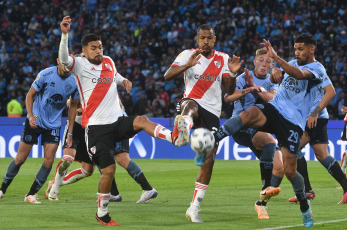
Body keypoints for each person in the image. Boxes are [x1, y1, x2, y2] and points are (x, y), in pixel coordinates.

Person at [59, 16, 174, 226]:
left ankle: (172, 135)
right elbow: (64, 60)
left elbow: (116, 75)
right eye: (93, 48)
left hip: (116, 121)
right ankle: (102, 213)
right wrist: (65, 35)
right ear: (84, 51)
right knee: (109, 171)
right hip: (96, 129)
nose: (98, 51)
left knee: (141, 119)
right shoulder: (80, 65)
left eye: (100, 47)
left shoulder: (109, 61)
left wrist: (124, 81)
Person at [212, 34, 330, 227]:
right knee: (250, 114)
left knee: (290, 171)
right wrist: (275, 69)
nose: (297, 52)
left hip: (293, 123)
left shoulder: (317, 69)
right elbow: (282, 72)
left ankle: (304, 204)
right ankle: (215, 138)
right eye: (295, 48)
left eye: (301, 49)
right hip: (275, 109)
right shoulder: (291, 62)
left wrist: (276, 60)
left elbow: (299, 74)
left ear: (312, 49)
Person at [164, 24, 243, 223]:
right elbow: (167, 76)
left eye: (209, 38)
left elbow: (228, 91)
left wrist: (233, 74)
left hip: (213, 111)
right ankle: (184, 125)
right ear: (197, 39)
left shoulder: (223, 59)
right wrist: (188, 65)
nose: (205, 41)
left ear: (214, 39)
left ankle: (194, 207)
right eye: (202, 38)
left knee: (210, 159)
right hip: (191, 101)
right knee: (189, 105)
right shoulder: (187, 55)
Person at [46, 99, 157, 204]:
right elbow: (71, 103)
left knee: (121, 158)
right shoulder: (91, 86)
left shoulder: (96, 86)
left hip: (113, 121)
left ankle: (147, 188)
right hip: (105, 122)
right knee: (98, 158)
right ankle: (114, 194)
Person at [0, 58, 79, 204]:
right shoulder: (46, 74)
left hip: (54, 125)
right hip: (35, 121)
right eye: (64, 63)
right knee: (20, 158)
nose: (66, 67)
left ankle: (31, 194)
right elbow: (30, 94)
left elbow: (73, 107)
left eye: (69, 64)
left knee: (48, 161)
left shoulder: (74, 82)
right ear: (58, 61)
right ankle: (2, 189)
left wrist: (70, 133)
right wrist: (30, 116)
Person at [224, 48, 283, 219]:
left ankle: (261, 204)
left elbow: (272, 99)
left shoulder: (273, 82)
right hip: (241, 127)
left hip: (261, 127)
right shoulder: (243, 78)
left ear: (272, 65)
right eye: (261, 60)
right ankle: (265, 188)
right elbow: (228, 97)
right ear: (255, 61)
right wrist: (248, 89)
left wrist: (254, 88)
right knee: (270, 142)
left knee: (280, 169)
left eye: (268, 62)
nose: (264, 64)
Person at [288, 75, 347, 204]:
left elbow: (323, 94)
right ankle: (346, 189)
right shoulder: (310, 73)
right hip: (320, 117)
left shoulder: (310, 73)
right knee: (323, 155)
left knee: (293, 149)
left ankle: (306, 191)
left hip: (313, 117)